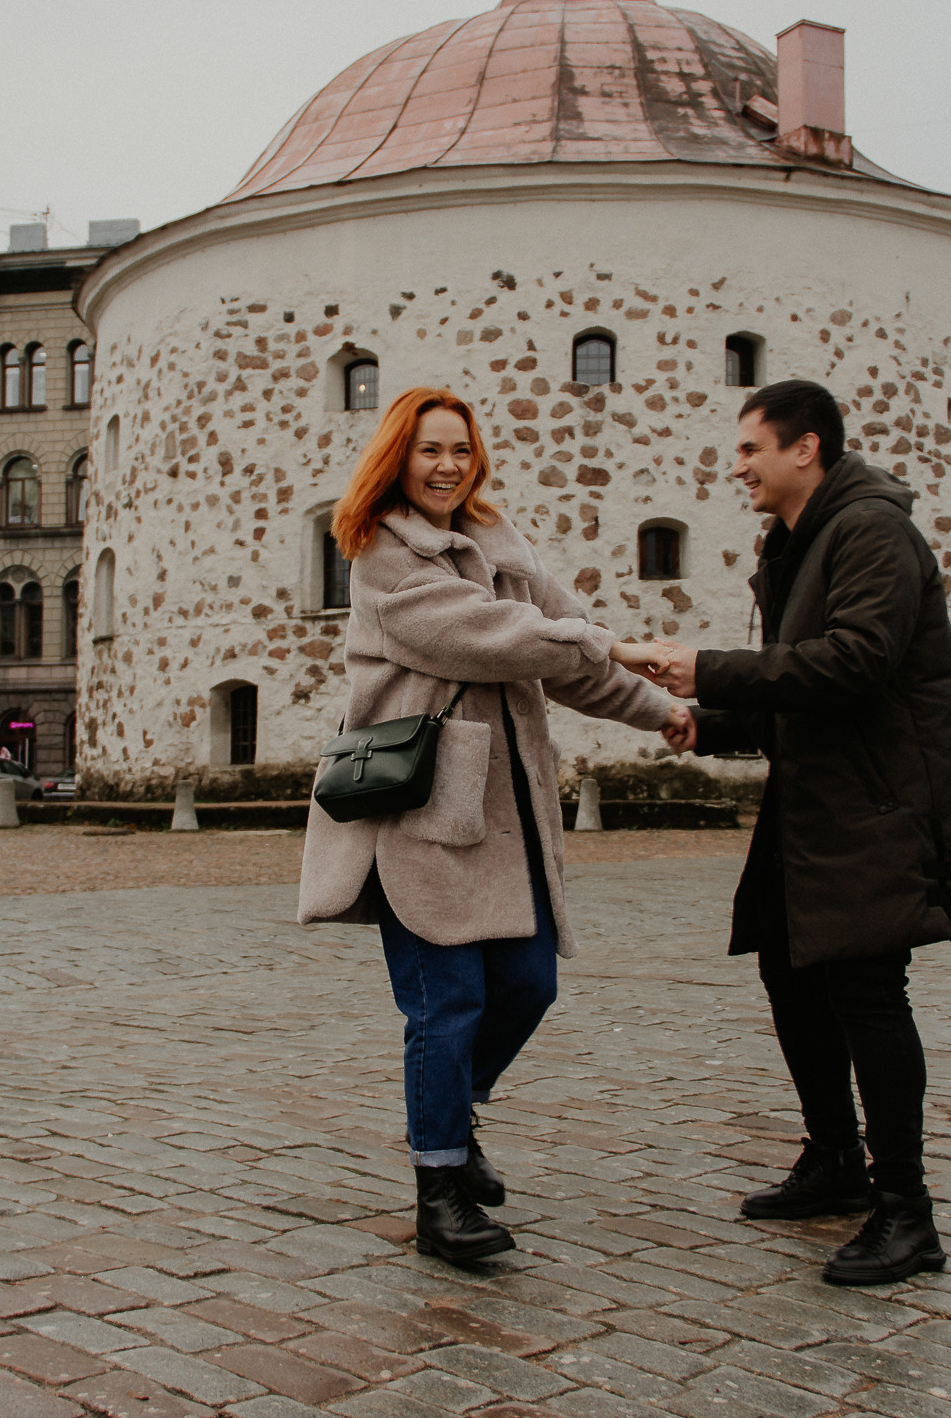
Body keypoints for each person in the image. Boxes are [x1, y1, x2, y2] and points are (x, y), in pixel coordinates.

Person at [621, 378, 951, 1286]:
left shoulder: (872, 531)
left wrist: (709, 667)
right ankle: (836, 1161)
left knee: (868, 993)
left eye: (751, 448)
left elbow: (856, 663)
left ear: (807, 449)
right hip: (818, 807)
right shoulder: (795, 545)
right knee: (791, 975)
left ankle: (907, 1215)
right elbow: (799, 690)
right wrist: (708, 721)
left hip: (879, 805)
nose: (737, 465)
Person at [300, 386, 687, 1264]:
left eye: (460, 451)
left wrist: (661, 711)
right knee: (447, 1003)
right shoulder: (383, 559)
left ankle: (448, 1113)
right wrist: (614, 643)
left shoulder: (502, 548)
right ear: (398, 459)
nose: (447, 466)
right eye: (430, 450)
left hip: (507, 818)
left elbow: (567, 654)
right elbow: (494, 637)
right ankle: (441, 1189)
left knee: (528, 984)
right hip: (424, 812)